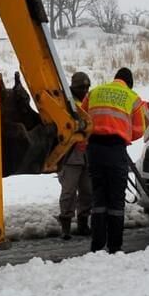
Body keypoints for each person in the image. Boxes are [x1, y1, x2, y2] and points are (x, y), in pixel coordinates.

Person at [82, 67, 149, 253]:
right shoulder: (133, 98)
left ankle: (97, 245)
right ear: (129, 83)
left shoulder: (94, 92)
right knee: (116, 201)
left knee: (99, 197)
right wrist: (121, 132)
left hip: (94, 150)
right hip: (115, 149)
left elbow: (82, 119)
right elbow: (139, 129)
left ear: (115, 79)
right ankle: (114, 246)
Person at [57, 71, 94, 240]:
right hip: (70, 155)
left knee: (87, 191)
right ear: (73, 87)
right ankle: (65, 225)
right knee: (69, 192)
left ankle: (83, 224)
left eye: (87, 87)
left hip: (86, 154)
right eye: (82, 87)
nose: (85, 90)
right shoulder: (65, 103)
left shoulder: (89, 101)